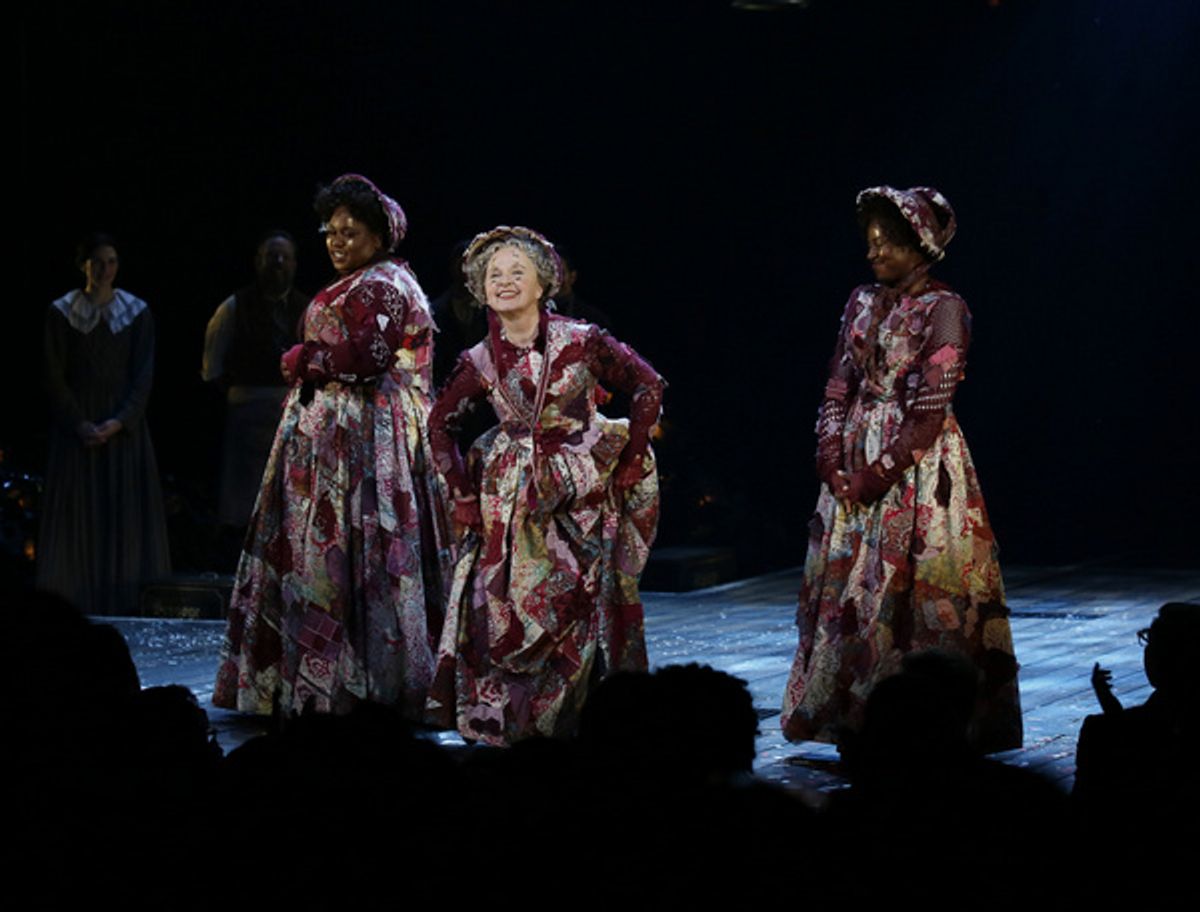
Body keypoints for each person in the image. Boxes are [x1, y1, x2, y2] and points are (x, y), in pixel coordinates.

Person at [781, 186, 1022, 753]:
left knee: (911, 591)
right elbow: (839, 381)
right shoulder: (861, 301)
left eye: (887, 241)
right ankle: (849, 713)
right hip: (853, 455)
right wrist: (831, 459)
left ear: (922, 245)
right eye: (870, 241)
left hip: (915, 468)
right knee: (850, 591)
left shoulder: (945, 310)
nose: (874, 252)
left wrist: (873, 476)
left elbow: (931, 408)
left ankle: (925, 722)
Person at [212, 174, 452, 720]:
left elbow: (367, 356)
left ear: (379, 235)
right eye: (331, 231)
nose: (337, 241)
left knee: (354, 553)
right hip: (342, 437)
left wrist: (300, 361)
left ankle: (360, 683)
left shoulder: (385, 283)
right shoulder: (371, 280)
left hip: (366, 441)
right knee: (329, 556)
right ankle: (325, 680)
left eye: (351, 231)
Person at [426, 226, 664, 745]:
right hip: (512, 494)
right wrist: (463, 494)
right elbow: (438, 424)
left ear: (543, 284)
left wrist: (634, 453)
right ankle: (516, 723)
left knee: (579, 599)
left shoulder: (582, 342)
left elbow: (647, 384)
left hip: (580, 484)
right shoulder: (479, 360)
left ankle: (578, 718)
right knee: (507, 607)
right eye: (494, 274)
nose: (504, 282)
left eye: (517, 272)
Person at [37, 234, 171, 615]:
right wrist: (78, 423)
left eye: (111, 261)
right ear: (84, 265)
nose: (105, 269)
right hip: (77, 428)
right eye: (98, 262)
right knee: (77, 516)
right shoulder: (62, 312)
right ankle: (72, 605)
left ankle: (123, 601)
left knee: (121, 516)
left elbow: (143, 376)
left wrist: (119, 422)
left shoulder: (136, 312)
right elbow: (53, 375)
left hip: (121, 429)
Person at [201, 230, 310, 538]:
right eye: (270, 257)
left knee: (289, 503)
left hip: (292, 416)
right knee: (243, 507)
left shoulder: (308, 309)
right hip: (246, 414)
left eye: (284, 257)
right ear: (257, 262)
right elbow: (212, 368)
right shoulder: (234, 308)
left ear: (294, 264)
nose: (277, 263)